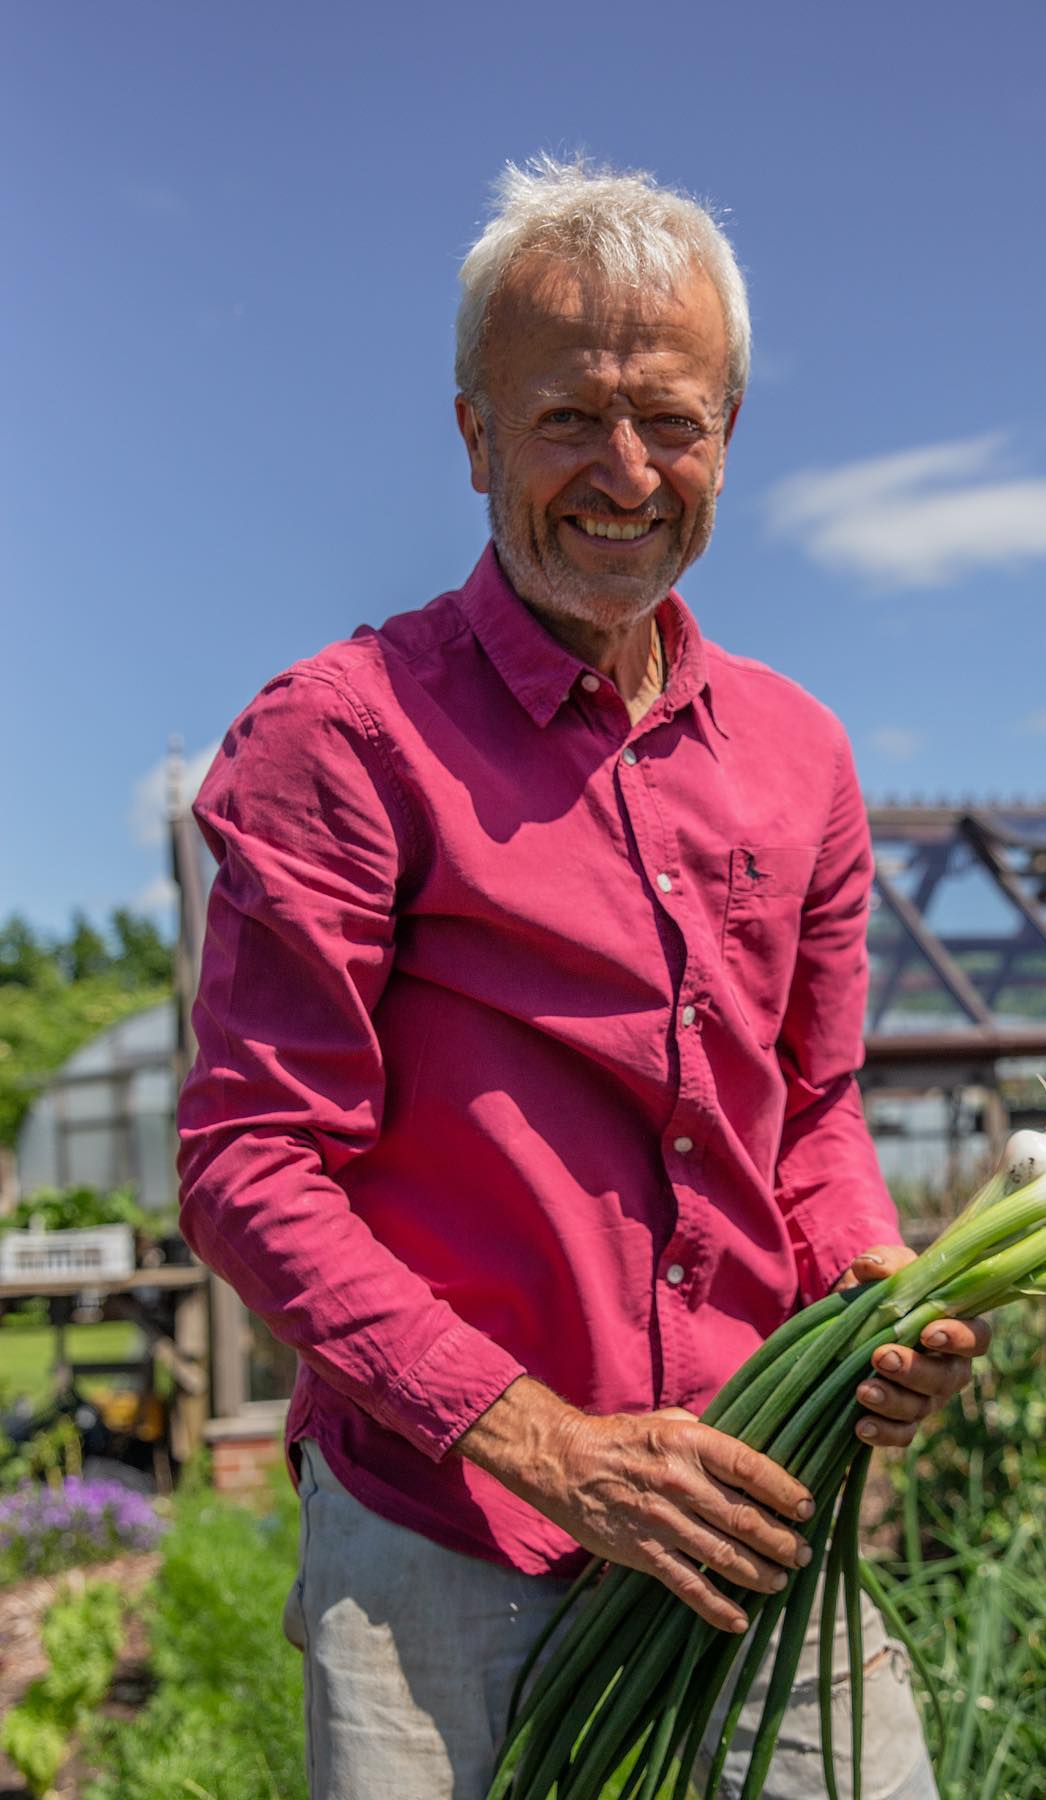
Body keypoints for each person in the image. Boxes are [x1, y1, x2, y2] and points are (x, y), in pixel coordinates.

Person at [176, 156, 988, 1799]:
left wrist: (877, 1293)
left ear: (731, 437)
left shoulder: (801, 753)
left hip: (760, 1504)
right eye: (570, 418)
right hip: (449, 1532)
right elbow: (249, 1164)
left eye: (672, 421)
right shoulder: (343, 737)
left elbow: (813, 1108)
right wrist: (541, 1441)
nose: (626, 472)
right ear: (473, 436)